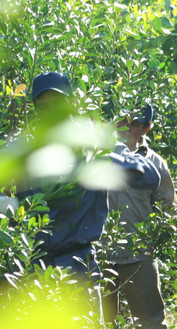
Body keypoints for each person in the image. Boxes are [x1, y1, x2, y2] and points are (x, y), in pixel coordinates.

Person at [15, 72, 161, 277]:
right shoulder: (26, 149)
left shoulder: (94, 144)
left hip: (77, 268)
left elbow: (150, 177)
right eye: (43, 108)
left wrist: (100, 158)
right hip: (32, 268)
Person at [103, 103, 175, 329]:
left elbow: (167, 205)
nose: (125, 127)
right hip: (99, 254)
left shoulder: (154, 163)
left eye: (133, 123)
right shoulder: (98, 157)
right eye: (122, 121)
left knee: (150, 322)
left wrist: (152, 240)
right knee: (98, 322)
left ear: (146, 129)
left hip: (138, 256)